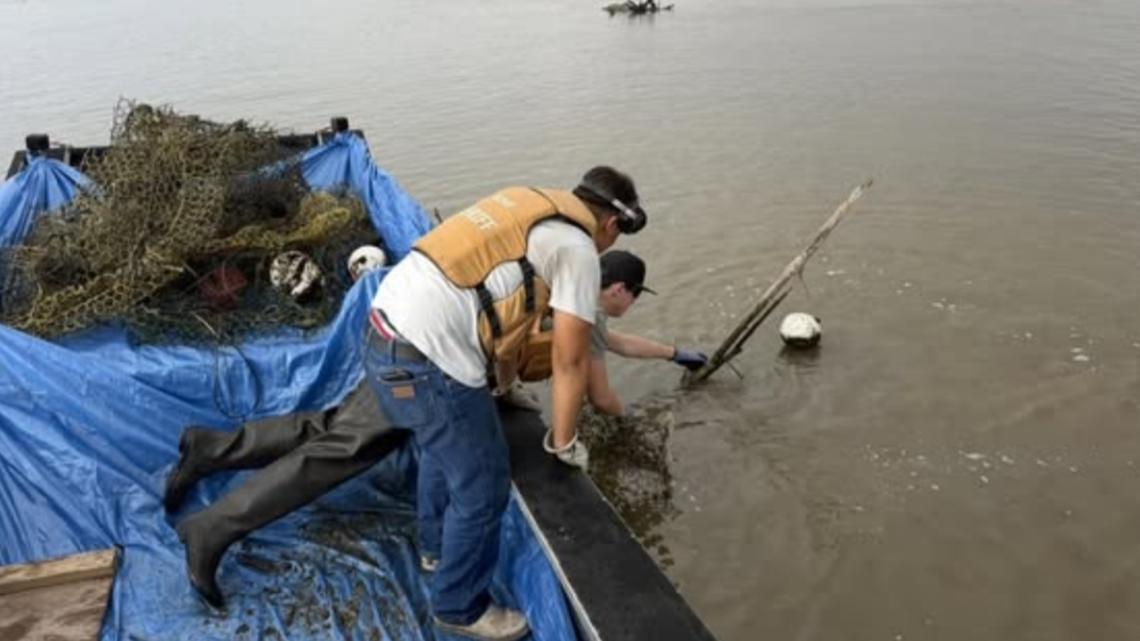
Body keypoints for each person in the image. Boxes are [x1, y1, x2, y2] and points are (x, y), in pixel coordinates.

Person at [364, 166, 646, 641]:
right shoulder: (578, 250)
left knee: (441, 447)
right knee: (484, 486)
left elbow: (503, 314)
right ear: (612, 225)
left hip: (383, 332)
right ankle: (458, 605)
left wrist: (502, 386)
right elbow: (570, 359)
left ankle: (434, 549)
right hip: (427, 361)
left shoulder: (525, 203)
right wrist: (563, 441)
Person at [166, 252, 404, 609]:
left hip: (407, 314)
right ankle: (212, 527)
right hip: (425, 337)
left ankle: (211, 449)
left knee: (343, 427)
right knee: (351, 443)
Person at [584, 250, 706, 416]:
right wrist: (629, 416)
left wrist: (675, 354)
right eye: (636, 293)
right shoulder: (590, 316)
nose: (634, 301)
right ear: (619, 289)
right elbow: (601, 399)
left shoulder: (581, 294)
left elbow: (619, 343)